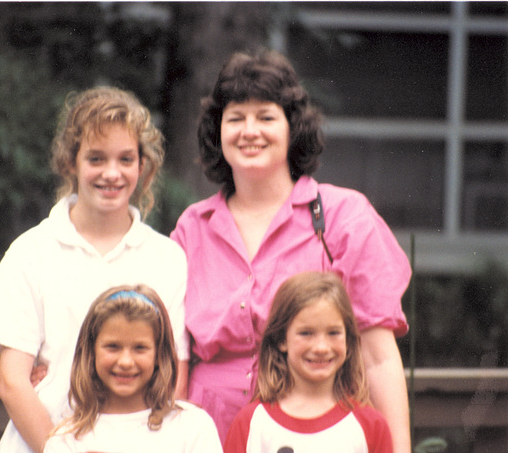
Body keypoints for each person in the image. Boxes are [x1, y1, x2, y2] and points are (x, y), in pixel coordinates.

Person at [170, 50, 411, 452]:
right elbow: (168, 353)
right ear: (218, 132)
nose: (250, 131)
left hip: (320, 433)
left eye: (266, 117)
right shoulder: (192, 228)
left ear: (292, 128)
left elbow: (379, 358)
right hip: (208, 433)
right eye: (235, 118)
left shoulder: (342, 217)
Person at [0, 86, 189, 453]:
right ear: (71, 162)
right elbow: (12, 383)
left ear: (142, 165)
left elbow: (173, 372)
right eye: (96, 159)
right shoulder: (30, 252)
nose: (111, 174)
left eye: (125, 159)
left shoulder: (166, 257)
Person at [224, 272, 392, 453]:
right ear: (281, 339)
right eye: (306, 333)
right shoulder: (251, 424)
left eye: (333, 333)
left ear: (348, 339)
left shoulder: (371, 426)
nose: (321, 347)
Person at [43, 285, 223, 453]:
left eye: (140, 348)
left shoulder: (191, 426)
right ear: (91, 351)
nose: (126, 362)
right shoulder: (66, 439)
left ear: (160, 354)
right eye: (113, 347)